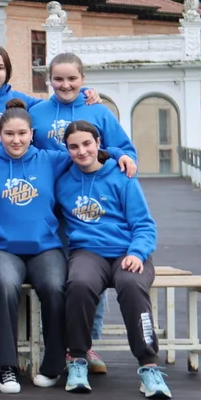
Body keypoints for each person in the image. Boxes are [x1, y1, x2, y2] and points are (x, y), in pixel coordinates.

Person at [0, 99, 88, 394]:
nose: (16, 140)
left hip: (44, 246)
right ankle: (6, 365)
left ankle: (53, 364)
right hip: (2, 247)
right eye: (9, 134)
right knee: (5, 284)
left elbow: (87, 155)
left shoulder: (51, 160)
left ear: (32, 134)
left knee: (54, 286)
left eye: (22, 133)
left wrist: (121, 157)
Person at [29, 52, 137, 374]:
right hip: (46, 207)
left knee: (89, 273)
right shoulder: (36, 112)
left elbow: (125, 150)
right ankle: (51, 341)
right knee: (55, 277)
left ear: (83, 79)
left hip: (89, 206)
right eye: (58, 79)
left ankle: (86, 344)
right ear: (48, 79)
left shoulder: (98, 111)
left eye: (72, 79)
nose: (65, 85)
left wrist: (121, 156)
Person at [56, 121, 171, 400]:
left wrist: (137, 253)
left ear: (98, 143)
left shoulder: (122, 176)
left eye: (87, 144)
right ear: (67, 150)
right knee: (79, 283)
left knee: (132, 286)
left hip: (126, 252)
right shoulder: (63, 181)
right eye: (74, 146)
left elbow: (144, 224)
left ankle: (149, 366)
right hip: (88, 252)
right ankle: (78, 359)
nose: (82, 151)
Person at [0, 46, 102, 161]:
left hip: (13, 169)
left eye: (0, 68)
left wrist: (82, 91)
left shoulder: (21, 99)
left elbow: (56, 102)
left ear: (7, 72)